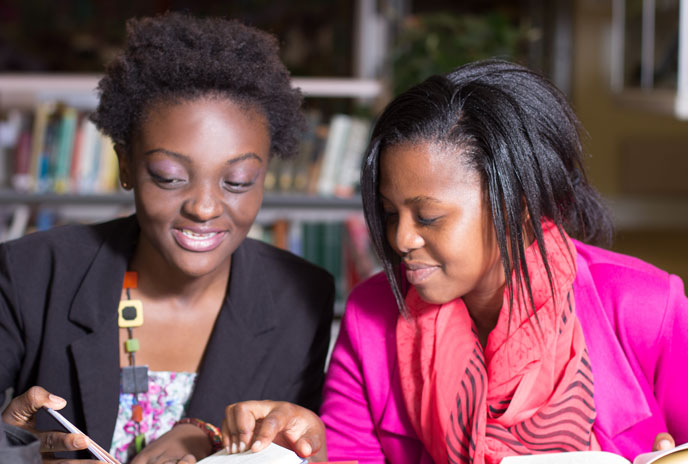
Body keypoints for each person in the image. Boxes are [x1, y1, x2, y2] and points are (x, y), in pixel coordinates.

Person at [217, 59, 688, 463]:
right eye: (389, 213)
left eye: (429, 216)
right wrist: (306, 445)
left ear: (519, 204)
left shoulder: (643, 307)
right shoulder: (371, 318)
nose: (401, 239)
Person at [0, 12, 334, 464]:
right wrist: (14, 450)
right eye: (169, 177)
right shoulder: (32, 272)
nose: (205, 207)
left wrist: (212, 435)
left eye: (238, 181)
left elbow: (288, 447)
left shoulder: (300, 296)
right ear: (127, 166)